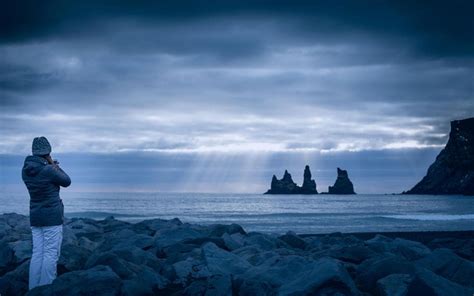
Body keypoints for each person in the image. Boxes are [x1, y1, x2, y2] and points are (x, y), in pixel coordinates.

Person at [22, 136, 71, 290]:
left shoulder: (25, 171)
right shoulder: (49, 170)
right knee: (50, 254)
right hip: (52, 218)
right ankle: (45, 289)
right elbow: (67, 181)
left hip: (36, 217)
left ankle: (33, 289)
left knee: (37, 254)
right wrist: (55, 166)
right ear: (48, 152)